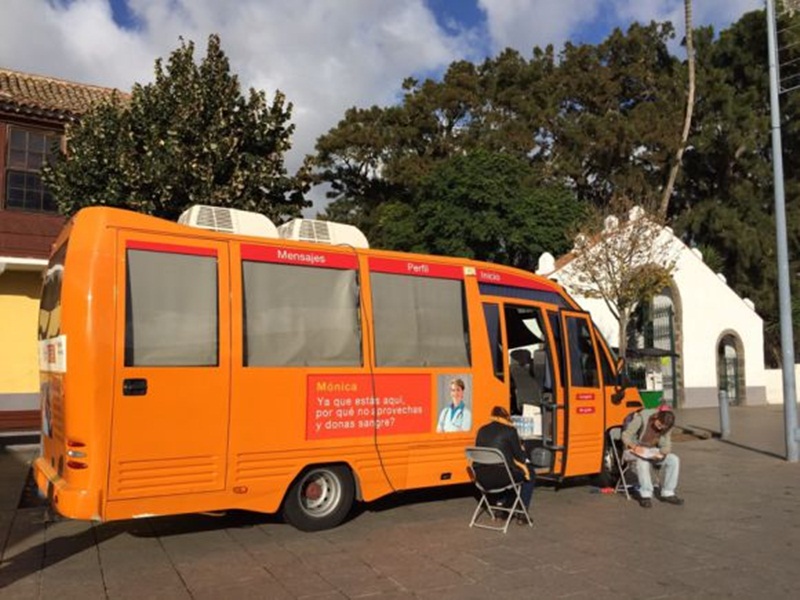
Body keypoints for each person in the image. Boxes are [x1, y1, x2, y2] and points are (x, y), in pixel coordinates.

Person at [473, 406, 534, 523]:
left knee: (509, 473)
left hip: (482, 478)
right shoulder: (510, 431)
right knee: (529, 473)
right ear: (506, 417)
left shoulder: (482, 430)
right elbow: (520, 458)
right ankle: (522, 514)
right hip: (502, 477)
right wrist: (522, 449)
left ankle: (502, 510)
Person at [621, 405, 684, 508]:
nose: (660, 428)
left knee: (674, 459)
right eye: (659, 425)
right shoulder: (641, 418)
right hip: (632, 449)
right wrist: (634, 447)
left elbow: (667, 445)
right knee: (642, 461)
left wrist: (661, 453)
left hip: (651, 451)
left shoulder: (667, 426)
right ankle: (646, 494)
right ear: (656, 417)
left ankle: (668, 492)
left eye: (663, 427)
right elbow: (626, 435)